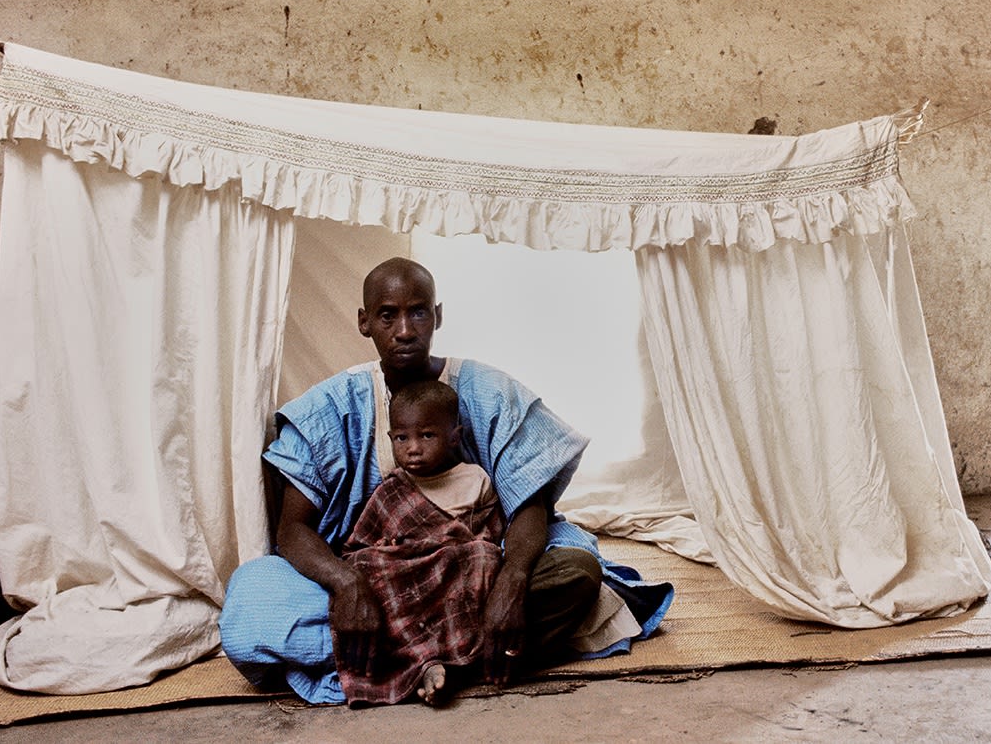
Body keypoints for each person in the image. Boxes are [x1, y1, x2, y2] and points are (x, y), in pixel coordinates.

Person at [219, 257, 673, 705]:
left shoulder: (489, 391)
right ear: (363, 322)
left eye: (418, 312)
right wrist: (347, 585)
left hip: (477, 571)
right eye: (387, 315)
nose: (404, 330)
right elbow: (292, 530)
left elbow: (529, 508)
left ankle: (407, 663)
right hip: (379, 582)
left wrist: (511, 583)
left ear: (437, 315)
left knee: (577, 571)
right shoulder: (330, 407)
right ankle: (470, 656)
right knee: (251, 607)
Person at [338, 379, 503, 706]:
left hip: (454, 571)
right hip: (408, 578)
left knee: (484, 556)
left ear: (454, 437)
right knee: (365, 566)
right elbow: (357, 550)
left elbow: (491, 532)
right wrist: (391, 548)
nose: (413, 447)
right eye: (402, 438)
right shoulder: (391, 490)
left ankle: (455, 655)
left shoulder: (475, 479)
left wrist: (452, 541)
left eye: (427, 435)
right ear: (390, 439)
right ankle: (426, 660)